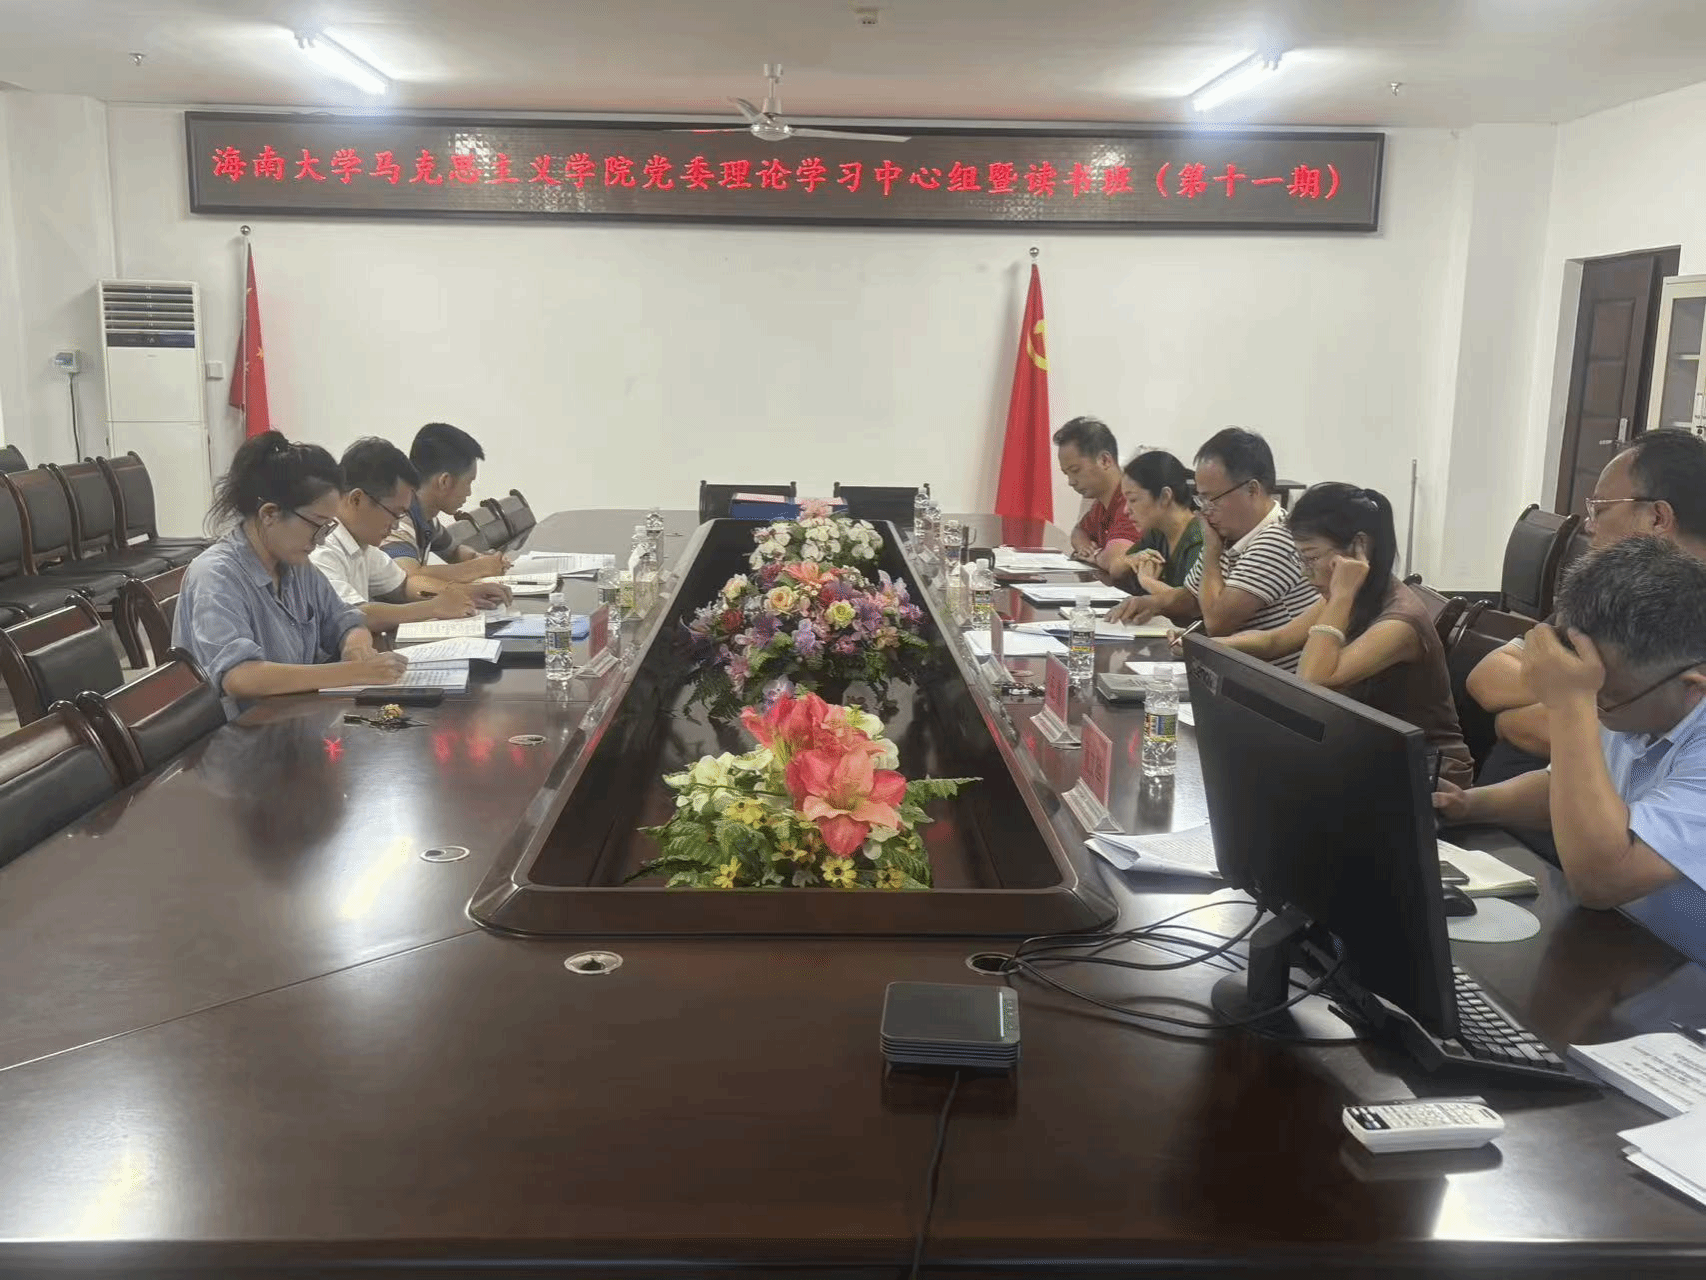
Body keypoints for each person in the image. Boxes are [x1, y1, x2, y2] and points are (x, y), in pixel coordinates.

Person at [1436, 538, 1706, 962]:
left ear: (1693, 686)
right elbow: (1565, 789)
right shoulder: (1640, 702)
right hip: (1627, 948)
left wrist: (1571, 703)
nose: (1596, 709)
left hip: (1685, 980)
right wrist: (1470, 805)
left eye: (1605, 697)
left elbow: (1604, 881)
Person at [1468, 430, 1706, 785]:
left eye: (1600, 509)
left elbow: (1620, 745)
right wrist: (1574, 695)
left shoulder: (1691, 616)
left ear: (1657, 518)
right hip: (1519, 794)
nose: (1589, 525)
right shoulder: (1606, 588)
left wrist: (1526, 714)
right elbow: (1487, 677)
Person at [1209, 482, 1474, 786]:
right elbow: (1275, 641)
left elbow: (1313, 683)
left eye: (1311, 558)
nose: (1305, 573)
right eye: (1300, 559)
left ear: (1359, 546)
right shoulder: (1356, 597)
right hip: (1368, 752)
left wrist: (1342, 595)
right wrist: (1208, 645)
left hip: (1427, 774)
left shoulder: (1399, 622)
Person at [174, 432, 406, 716]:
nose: (321, 540)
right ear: (270, 514)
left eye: (328, 528)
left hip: (291, 716)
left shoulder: (297, 566)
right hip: (239, 732)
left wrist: (355, 646)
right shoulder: (216, 576)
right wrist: (354, 672)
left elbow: (346, 619)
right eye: (317, 525)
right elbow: (240, 677)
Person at [1108, 428, 1315, 668]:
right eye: (1201, 499)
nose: (1205, 510)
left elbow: (1217, 622)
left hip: (1273, 681)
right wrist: (1152, 604)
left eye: (1212, 499)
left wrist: (1210, 552)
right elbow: (1191, 597)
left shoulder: (1278, 537)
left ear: (1252, 489)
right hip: (1236, 671)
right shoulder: (1230, 533)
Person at [310, 437, 509, 633]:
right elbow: (353, 615)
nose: (396, 525)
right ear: (356, 499)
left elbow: (404, 584)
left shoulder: (362, 545)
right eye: (394, 513)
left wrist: (466, 593)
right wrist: (432, 608)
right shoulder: (321, 548)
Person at [382, 422, 510, 587]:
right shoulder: (399, 519)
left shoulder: (428, 518)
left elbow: (454, 551)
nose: (469, 492)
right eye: (468, 482)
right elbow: (410, 576)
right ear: (445, 481)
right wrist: (478, 568)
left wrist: (478, 558)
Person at [1109, 450, 1204, 593]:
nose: (1125, 510)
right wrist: (1131, 560)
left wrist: (1147, 581)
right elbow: (1114, 570)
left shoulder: (1199, 538)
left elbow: (1191, 602)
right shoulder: (1157, 533)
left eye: (1133, 500)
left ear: (1165, 496)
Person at [1053, 416, 1138, 576]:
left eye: (1076, 470)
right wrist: (1084, 546)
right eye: (1066, 474)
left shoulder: (1132, 501)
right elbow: (1079, 531)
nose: (1071, 482)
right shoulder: (1100, 504)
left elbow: (1117, 559)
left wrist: (1095, 555)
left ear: (1105, 460)